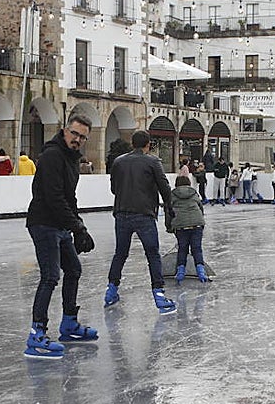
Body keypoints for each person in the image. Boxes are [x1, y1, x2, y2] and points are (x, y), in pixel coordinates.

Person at [24, 114, 98, 359]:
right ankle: (37, 334)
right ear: (65, 131)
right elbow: (54, 198)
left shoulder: (72, 159)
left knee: (74, 269)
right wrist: (77, 227)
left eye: (82, 137)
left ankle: (68, 323)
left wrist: (79, 226)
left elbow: (70, 197)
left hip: (60, 225)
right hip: (44, 223)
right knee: (50, 277)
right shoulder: (52, 156)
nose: (77, 139)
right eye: (74, 134)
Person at [105, 129, 177, 314]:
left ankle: (111, 291)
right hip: (144, 213)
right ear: (148, 144)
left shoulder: (119, 162)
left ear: (132, 143)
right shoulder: (152, 161)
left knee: (120, 253)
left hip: (122, 213)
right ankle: (159, 296)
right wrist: (169, 206)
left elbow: (114, 188)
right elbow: (164, 187)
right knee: (152, 254)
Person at [168, 174, 210, 284]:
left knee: (182, 248)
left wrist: (169, 227)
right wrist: (201, 221)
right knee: (196, 248)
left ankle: (180, 272)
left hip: (181, 225)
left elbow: (169, 212)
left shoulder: (172, 195)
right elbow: (200, 208)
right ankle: (201, 272)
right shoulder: (194, 193)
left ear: (176, 184)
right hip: (197, 223)